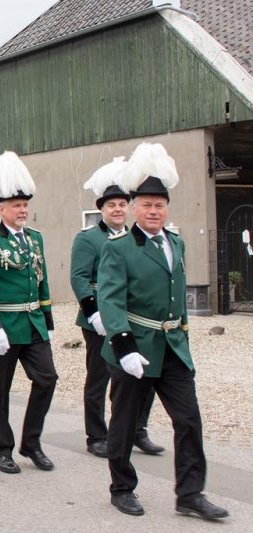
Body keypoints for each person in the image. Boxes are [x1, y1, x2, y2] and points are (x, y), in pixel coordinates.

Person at [98, 143, 228, 520]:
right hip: (134, 350)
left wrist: (182, 338)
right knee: (124, 423)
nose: (153, 211)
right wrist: (123, 346)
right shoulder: (119, 248)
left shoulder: (176, 242)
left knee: (188, 420)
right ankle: (122, 487)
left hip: (172, 348)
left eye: (160, 205)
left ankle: (190, 494)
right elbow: (110, 298)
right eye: (147, 205)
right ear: (135, 208)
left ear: (166, 208)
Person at [0, 151, 57, 475]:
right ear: (1, 209)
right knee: (1, 390)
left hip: (33, 325)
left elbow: (42, 279)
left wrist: (47, 321)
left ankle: (31, 443)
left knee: (47, 379)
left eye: (25, 205)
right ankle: (2, 448)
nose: (22, 210)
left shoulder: (35, 240)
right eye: (16, 205)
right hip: (3, 327)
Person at [71, 158, 163, 459]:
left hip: (134, 319)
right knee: (99, 377)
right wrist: (93, 312)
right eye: (111, 205)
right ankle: (96, 435)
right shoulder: (88, 239)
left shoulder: (137, 240)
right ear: (101, 209)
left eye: (123, 204)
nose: (118, 209)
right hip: (99, 319)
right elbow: (80, 278)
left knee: (142, 376)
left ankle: (137, 429)